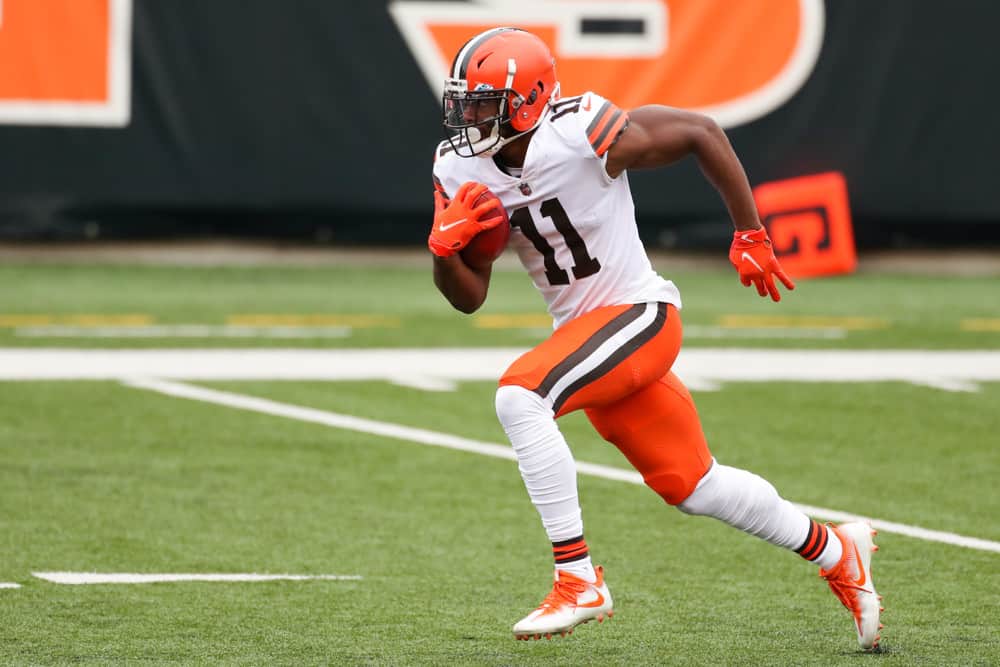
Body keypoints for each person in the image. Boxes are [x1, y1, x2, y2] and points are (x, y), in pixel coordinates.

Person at [427, 27, 883, 650]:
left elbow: (701, 132)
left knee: (520, 396)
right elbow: (468, 296)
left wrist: (750, 233)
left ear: (529, 100)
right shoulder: (456, 165)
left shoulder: (580, 129)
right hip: (589, 340)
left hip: (640, 315)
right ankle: (837, 550)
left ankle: (577, 579)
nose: (467, 115)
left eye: (482, 102)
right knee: (694, 486)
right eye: (465, 101)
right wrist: (443, 249)